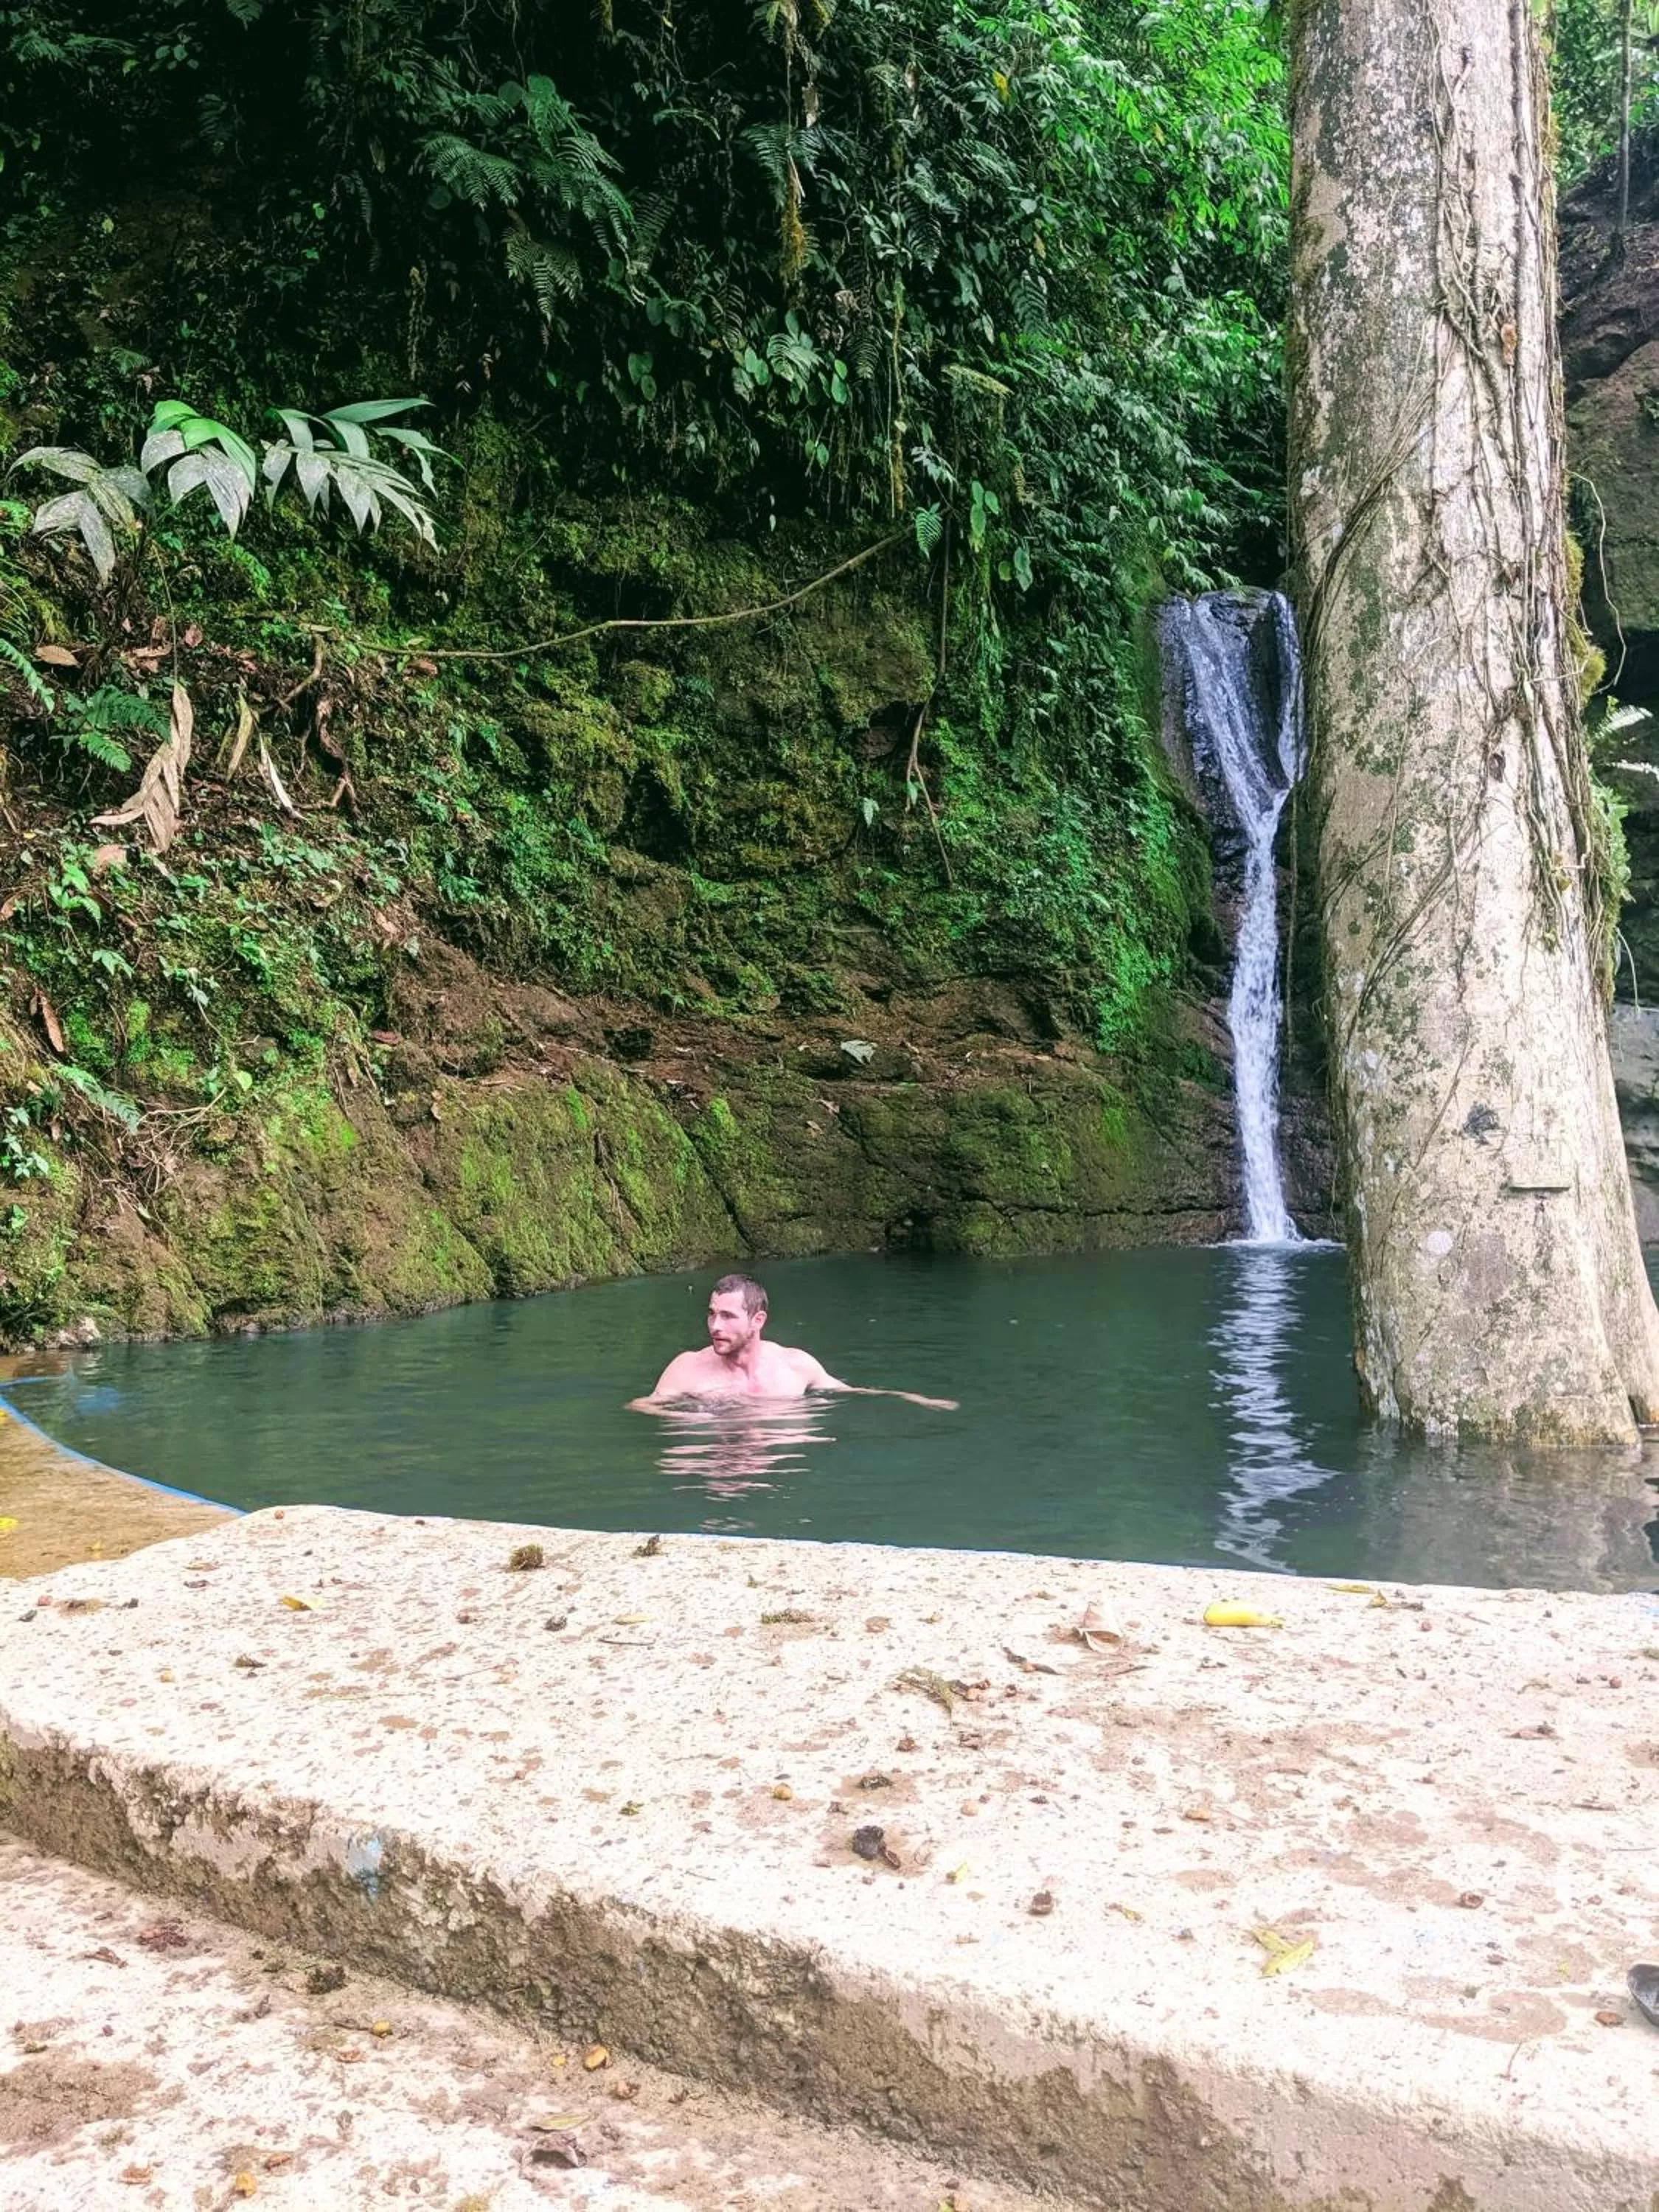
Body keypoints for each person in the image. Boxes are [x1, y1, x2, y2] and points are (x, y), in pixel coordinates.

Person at [627, 1273, 958, 1411]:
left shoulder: (795, 1365)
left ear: (758, 1321)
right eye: (712, 1314)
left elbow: (849, 1393)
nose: (715, 1325)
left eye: (728, 1316)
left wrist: (913, 1399)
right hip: (714, 1465)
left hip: (780, 1468)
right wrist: (693, 1416)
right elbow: (641, 1406)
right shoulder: (688, 1368)